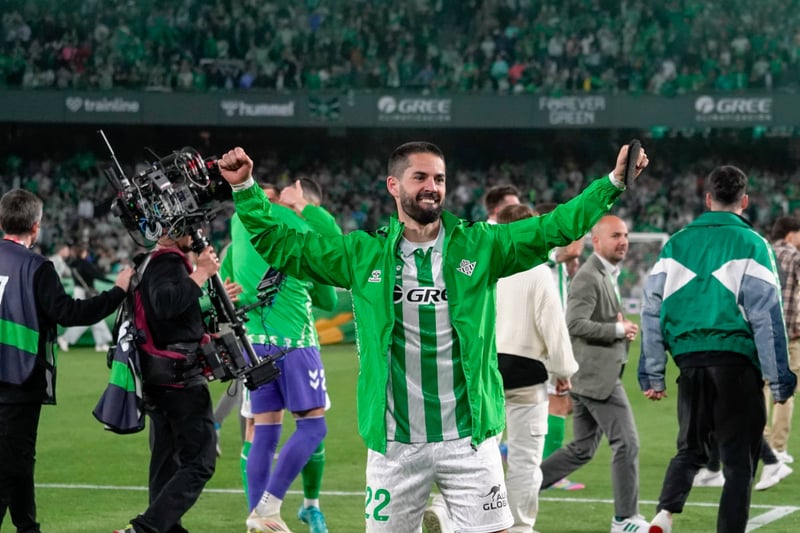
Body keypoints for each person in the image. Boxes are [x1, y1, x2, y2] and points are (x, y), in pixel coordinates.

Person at [217, 140, 648, 533]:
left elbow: (554, 227)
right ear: (393, 185)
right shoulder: (362, 253)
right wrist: (245, 188)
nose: (432, 187)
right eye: (420, 177)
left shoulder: (480, 246)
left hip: (469, 441)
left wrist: (611, 183)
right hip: (394, 445)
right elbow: (284, 246)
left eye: (439, 178)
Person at [638, 165, 797, 533]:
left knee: (690, 449)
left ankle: (664, 514)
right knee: (739, 464)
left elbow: (650, 310)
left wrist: (652, 372)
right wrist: (779, 379)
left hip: (690, 363)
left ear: (708, 199)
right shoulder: (753, 244)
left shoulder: (675, 243)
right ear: (745, 201)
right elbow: (767, 316)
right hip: (736, 365)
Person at [0, 189, 132, 533]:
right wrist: (118, 292)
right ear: (36, 226)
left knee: (16, 459)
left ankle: (28, 526)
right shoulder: (37, 267)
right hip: (19, 375)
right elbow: (69, 313)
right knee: (13, 461)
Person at [222, 178, 339, 533]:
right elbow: (332, 265)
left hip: (254, 345)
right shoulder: (296, 225)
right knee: (313, 426)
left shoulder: (240, 224)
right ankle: (269, 507)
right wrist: (303, 208)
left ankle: (258, 517)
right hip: (294, 342)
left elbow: (228, 286)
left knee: (264, 432)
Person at [113, 226, 232, 533]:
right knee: (200, 461)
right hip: (179, 381)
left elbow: (170, 317)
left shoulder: (150, 261)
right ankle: (145, 529)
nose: (198, 232)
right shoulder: (168, 262)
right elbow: (166, 304)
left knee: (166, 461)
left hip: (159, 378)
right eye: (193, 226)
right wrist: (202, 273)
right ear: (176, 229)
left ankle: (166, 529)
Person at [539, 215, 648, 533]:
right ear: (596, 241)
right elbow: (574, 323)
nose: (623, 241)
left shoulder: (605, 274)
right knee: (627, 443)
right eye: (615, 235)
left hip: (591, 375)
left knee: (582, 449)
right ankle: (624, 519)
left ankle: (514, 490)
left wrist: (619, 329)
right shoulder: (589, 276)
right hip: (596, 377)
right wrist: (618, 330)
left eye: (625, 235)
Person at [495, 203, 579, 533]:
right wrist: (563, 372)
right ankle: (519, 526)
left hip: (485, 372)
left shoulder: (483, 269)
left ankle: (455, 515)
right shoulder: (538, 271)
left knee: (478, 454)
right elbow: (553, 328)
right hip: (527, 375)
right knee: (524, 459)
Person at [536, 201, 587, 492]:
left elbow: (570, 260)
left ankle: (526, 457)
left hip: (552, 334)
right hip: (547, 337)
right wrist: (581, 221)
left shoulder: (548, 253)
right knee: (557, 400)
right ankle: (550, 474)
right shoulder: (541, 247)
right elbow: (573, 250)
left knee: (561, 403)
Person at [765, 216, 800, 464]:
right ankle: (777, 448)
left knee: (760, 387)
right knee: (785, 391)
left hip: (760, 333)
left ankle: (758, 440)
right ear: (790, 234)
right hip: (789, 334)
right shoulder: (796, 258)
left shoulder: (761, 254)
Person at [57, 243, 115, 352]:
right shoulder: (84, 263)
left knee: (95, 316)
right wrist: (111, 281)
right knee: (86, 318)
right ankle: (65, 338)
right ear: (83, 252)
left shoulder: (73, 264)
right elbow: (96, 274)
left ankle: (101, 343)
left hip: (79, 291)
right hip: (85, 292)